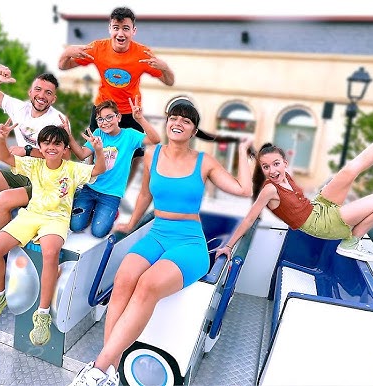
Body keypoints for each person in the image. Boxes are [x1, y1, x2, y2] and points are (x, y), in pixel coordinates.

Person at [69, 102, 254, 386]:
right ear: (167, 122)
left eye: (186, 120)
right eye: (174, 117)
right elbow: (145, 194)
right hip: (158, 233)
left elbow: (244, 190)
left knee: (147, 285)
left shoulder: (204, 161)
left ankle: (98, 367)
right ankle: (110, 370)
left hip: (189, 242)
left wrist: (242, 151)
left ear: (193, 129)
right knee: (124, 279)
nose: (178, 122)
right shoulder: (153, 154)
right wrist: (130, 225)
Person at [217, 92, 373, 263]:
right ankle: (350, 243)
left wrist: (249, 148)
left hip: (319, 205)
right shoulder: (270, 190)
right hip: (320, 224)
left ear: (284, 163)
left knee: (350, 169)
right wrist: (227, 246)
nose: (272, 170)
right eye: (266, 167)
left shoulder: (286, 175)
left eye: (276, 164)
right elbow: (249, 218)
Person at [0, 119, 105, 346]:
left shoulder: (72, 168)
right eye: (46, 143)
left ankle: (43, 314)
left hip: (55, 220)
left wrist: (97, 149)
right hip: (31, 215)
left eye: (57, 144)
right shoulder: (34, 165)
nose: (51, 148)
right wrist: (1, 137)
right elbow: (5, 158)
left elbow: (99, 169)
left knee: (50, 254)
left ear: (65, 148)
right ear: (40, 146)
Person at [58, 6, 177, 189]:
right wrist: (67, 52)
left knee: (134, 155)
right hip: (102, 109)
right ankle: (87, 187)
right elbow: (63, 66)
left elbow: (169, 81)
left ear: (133, 31)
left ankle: (119, 192)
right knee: (92, 148)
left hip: (131, 112)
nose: (120, 33)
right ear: (110, 28)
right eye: (116, 27)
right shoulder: (98, 48)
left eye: (126, 28)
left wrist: (165, 67)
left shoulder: (142, 54)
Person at [0, 64, 65, 258]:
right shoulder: (19, 108)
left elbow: (65, 156)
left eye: (48, 93)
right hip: (22, 170)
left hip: (45, 179)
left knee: (3, 201)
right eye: (38, 89)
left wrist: (28, 150)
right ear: (30, 92)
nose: (42, 95)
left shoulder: (57, 120)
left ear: (53, 99)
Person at [65, 98, 160, 238]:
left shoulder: (130, 135)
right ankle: (92, 209)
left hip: (111, 194)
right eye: (100, 119)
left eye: (109, 117)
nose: (105, 122)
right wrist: (68, 135)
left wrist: (139, 119)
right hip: (91, 188)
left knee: (99, 232)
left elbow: (155, 140)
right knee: (75, 226)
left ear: (118, 117)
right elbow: (81, 154)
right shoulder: (98, 133)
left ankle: (111, 212)